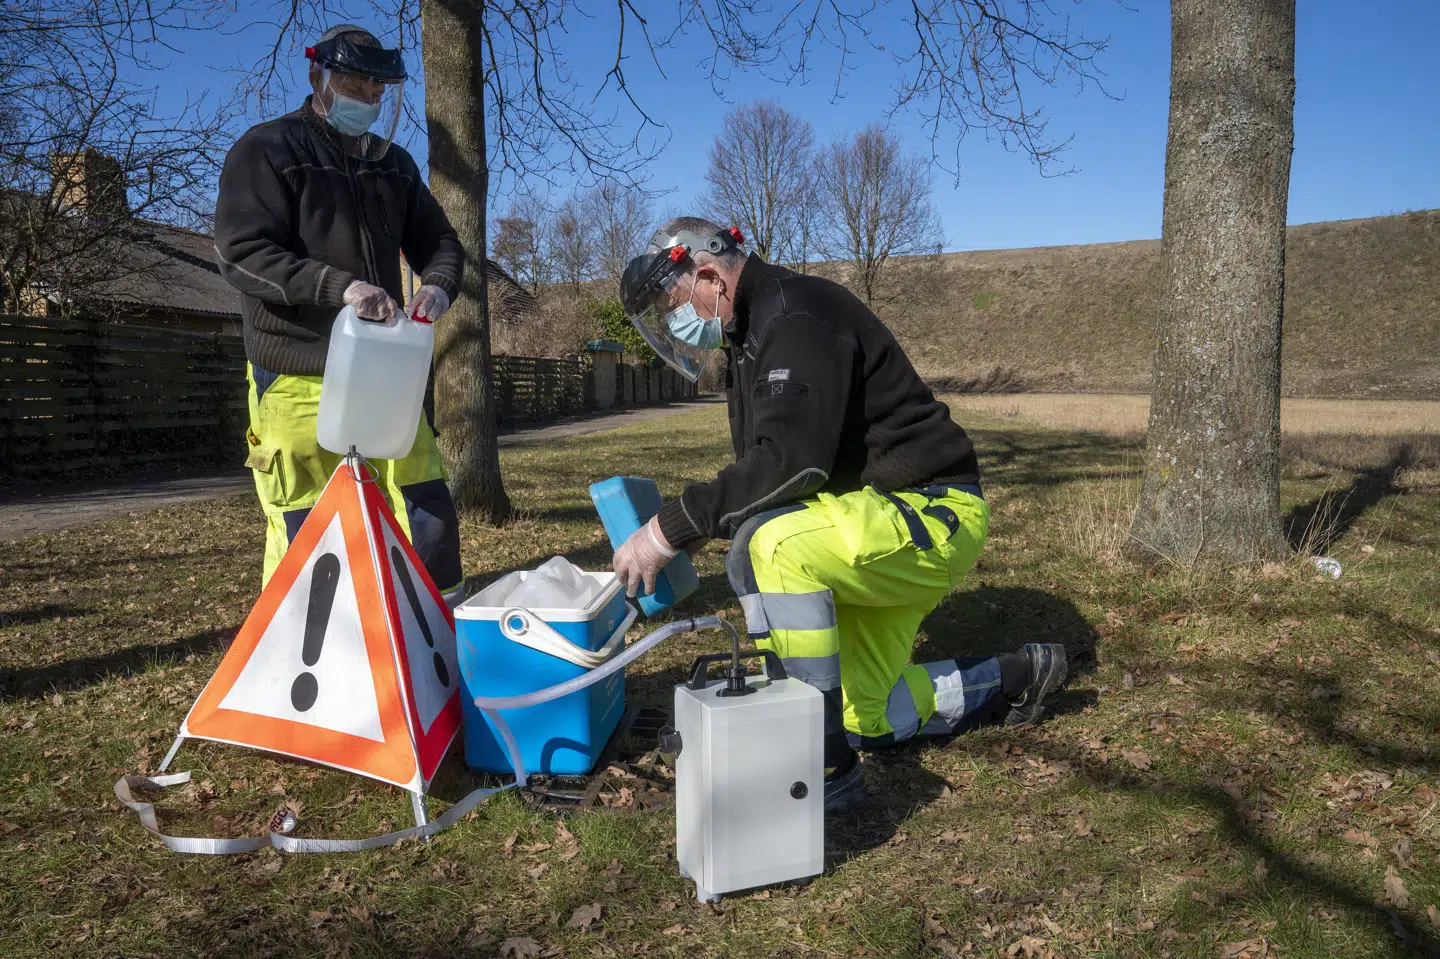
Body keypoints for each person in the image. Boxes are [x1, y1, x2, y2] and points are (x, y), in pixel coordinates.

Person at [613, 217, 1069, 811]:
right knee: (865, 717)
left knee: (767, 547)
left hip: (930, 515)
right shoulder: (753, 333)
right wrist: (702, 523)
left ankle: (819, 764)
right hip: (876, 521)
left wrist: (668, 528)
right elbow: (774, 472)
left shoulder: (796, 316)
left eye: (673, 303)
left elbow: (792, 465)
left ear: (707, 275)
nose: (675, 322)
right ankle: (1015, 675)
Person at [213, 23, 465, 603]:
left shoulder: (393, 164)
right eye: (354, 84)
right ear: (316, 76)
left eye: (378, 91)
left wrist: (439, 286)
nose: (367, 99)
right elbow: (241, 253)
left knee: (426, 506)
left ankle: (440, 646)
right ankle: (303, 661)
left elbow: (442, 243)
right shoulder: (266, 149)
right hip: (296, 368)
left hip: (384, 373)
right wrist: (338, 287)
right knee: (309, 526)